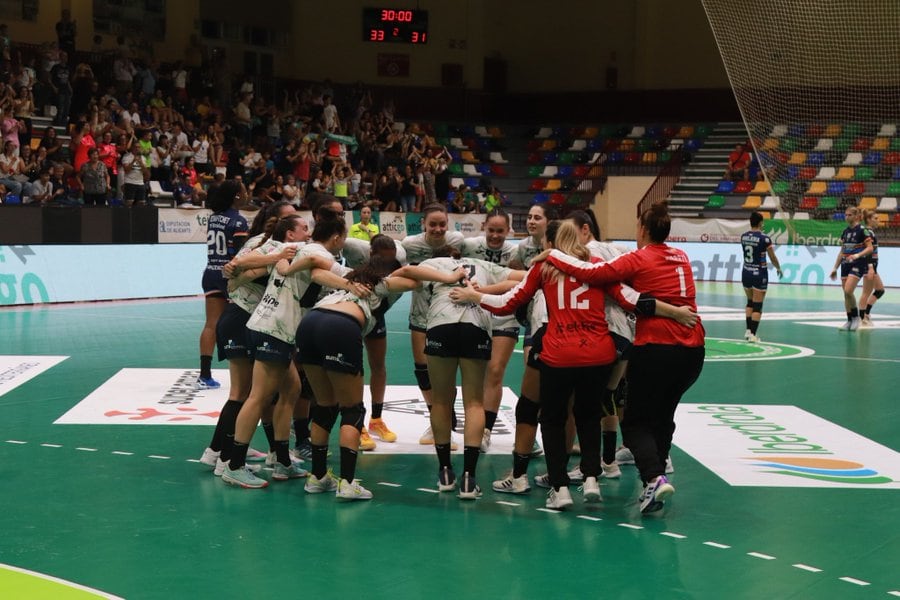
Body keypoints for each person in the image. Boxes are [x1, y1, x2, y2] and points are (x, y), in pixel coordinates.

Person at [539, 202, 705, 514]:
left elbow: (590, 271)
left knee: (635, 422)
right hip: (693, 349)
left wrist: (554, 254)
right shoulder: (681, 256)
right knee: (663, 416)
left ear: (642, 230)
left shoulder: (639, 258)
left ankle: (653, 477)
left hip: (658, 346)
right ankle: (654, 478)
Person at [297, 255, 465, 500]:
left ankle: (318, 477)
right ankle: (348, 483)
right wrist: (449, 277)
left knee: (324, 405)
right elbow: (413, 277)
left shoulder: (347, 278)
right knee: (352, 410)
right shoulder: (381, 283)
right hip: (340, 326)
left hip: (309, 323)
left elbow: (316, 272)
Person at [221, 216, 363, 489]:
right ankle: (234, 465)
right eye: (343, 238)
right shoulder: (312, 252)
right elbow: (244, 262)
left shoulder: (296, 249)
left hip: (276, 328)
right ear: (336, 238)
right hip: (273, 328)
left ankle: (282, 459)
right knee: (259, 397)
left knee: (291, 389)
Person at [198, 209, 306, 476]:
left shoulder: (271, 247)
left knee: (282, 389)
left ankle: (276, 456)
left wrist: (239, 276)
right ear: (284, 226)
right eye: (291, 217)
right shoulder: (268, 245)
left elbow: (235, 273)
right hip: (244, 319)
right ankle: (223, 457)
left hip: (254, 319)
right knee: (245, 394)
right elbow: (234, 270)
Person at [416, 246, 524, 499]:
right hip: (476, 327)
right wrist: (479, 291)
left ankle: (444, 472)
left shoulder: (434, 264)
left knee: (441, 401)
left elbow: (405, 272)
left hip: (440, 326)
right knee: (474, 402)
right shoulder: (483, 265)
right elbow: (521, 277)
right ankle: (469, 479)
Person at [401, 204, 466, 446]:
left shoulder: (459, 241)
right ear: (423, 225)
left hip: (447, 316)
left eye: (442, 224)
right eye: (433, 224)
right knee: (422, 372)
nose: (438, 229)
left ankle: (445, 418)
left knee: (444, 373)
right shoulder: (409, 244)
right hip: (419, 315)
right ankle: (436, 418)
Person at [461, 208, 518, 453]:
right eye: (491, 230)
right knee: (476, 373)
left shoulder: (517, 251)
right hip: (477, 315)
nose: (495, 236)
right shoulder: (468, 246)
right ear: (483, 227)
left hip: (505, 315)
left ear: (508, 231)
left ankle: (486, 430)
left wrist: (485, 292)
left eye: (500, 231)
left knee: (495, 371)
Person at [197, 180, 249, 390]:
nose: (247, 194)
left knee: (211, 324)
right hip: (229, 275)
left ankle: (205, 374)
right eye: (245, 190)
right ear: (237, 195)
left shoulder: (213, 218)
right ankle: (245, 374)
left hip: (210, 272)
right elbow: (239, 255)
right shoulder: (238, 221)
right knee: (243, 323)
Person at [740, 211, 783, 342]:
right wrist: (778, 268)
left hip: (746, 272)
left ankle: (748, 331)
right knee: (758, 306)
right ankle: (753, 335)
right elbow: (773, 257)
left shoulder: (744, 236)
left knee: (750, 302)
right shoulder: (765, 238)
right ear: (760, 223)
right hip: (759, 274)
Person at [829, 206, 873, 332]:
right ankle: (849, 320)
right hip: (845, 265)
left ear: (856, 216)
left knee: (848, 290)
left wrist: (857, 255)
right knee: (846, 295)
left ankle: (856, 318)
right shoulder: (845, 232)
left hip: (858, 263)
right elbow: (842, 252)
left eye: (849, 215)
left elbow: (870, 248)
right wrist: (835, 268)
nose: (846, 217)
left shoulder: (862, 230)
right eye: (845, 215)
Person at [858, 208, 885, 328]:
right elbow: (868, 252)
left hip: (873, 266)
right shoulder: (867, 232)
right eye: (875, 218)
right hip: (869, 266)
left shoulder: (871, 232)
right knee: (866, 292)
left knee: (880, 290)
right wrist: (870, 268)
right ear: (868, 219)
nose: (877, 220)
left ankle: (866, 313)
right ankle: (861, 317)